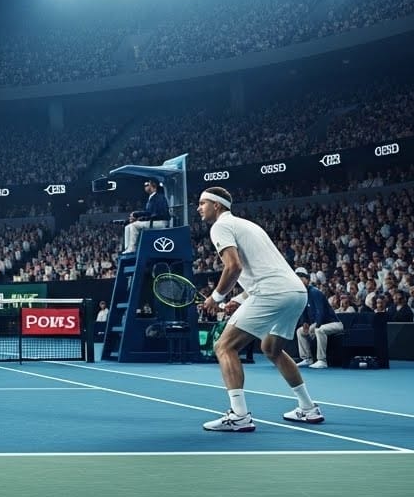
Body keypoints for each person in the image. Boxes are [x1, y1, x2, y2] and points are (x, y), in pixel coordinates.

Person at [195, 187, 322, 432]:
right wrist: (239, 299)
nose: (199, 208)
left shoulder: (220, 226)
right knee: (271, 348)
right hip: (295, 292)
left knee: (224, 346)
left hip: (272, 292)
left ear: (217, 205)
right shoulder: (249, 225)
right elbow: (266, 270)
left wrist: (216, 297)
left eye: (202, 203)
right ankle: (308, 408)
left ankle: (239, 416)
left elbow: (233, 267)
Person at [293, 267, 341, 370]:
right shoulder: (302, 294)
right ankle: (307, 358)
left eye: (302, 278)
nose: (300, 281)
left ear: (307, 280)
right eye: (298, 279)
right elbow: (303, 311)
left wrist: (315, 325)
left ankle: (322, 360)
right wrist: (305, 323)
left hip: (334, 324)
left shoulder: (315, 292)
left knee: (319, 330)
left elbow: (321, 312)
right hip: (318, 323)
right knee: (300, 331)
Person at [123, 179, 170, 254]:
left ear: (153, 186)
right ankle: (127, 248)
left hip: (160, 222)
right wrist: (140, 217)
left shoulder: (159, 197)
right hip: (154, 221)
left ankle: (132, 248)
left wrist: (138, 215)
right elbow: (149, 214)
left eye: (148, 185)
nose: (145, 187)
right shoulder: (151, 198)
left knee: (134, 226)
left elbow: (155, 214)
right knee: (128, 227)